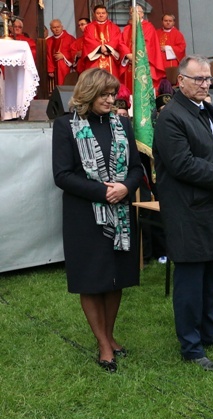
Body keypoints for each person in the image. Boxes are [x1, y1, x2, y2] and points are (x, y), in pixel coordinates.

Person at [153, 55, 213, 371]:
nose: (206, 85)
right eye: (199, 79)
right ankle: (192, 349)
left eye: (209, 79)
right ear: (181, 81)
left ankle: (212, 334)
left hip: (210, 211)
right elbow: (182, 164)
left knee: (212, 281)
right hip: (187, 214)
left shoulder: (206, 111)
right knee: (190, 285)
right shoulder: (171, 118)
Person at [52, 68, 143, 373]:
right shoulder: (65, 126)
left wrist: (126, 187)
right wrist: (104, 192)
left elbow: (136, 168)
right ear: (89, 94)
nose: (110, 99)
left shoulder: (123, 124)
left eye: (113, 94)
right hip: (84, 217)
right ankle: (104, 345)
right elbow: (62, 175)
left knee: (115, 277)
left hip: (121, 215)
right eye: (104, 94)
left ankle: (110, 334)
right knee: (92, 281)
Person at [121, 5, 166, 91]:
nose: (135, 14)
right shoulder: (127, 29)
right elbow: (121, 43)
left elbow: (148, 44)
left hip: (144, 62)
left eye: (138, 12)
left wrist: (137, 56)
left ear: (142, 14)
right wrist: (127, 54)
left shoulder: (148, 27)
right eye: (132, 12)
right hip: (129, 63)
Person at [82, 5, 131, 77]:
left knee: (111, 81)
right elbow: (88, 40)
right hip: (95, 59)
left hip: (110, 58)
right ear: (94, 14)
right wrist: (100, 48)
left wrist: (107, 48)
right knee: (95, 81)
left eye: (103, 13)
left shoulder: (114, 27)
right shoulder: (89, 27)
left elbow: (117, 40)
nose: (101, 15)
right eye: (98, 13)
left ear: (107, 14)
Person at [46, 19, 76, 86]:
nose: (56, 29)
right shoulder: (49, 41)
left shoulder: (70, 38)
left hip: (66, 67)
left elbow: (74, 52)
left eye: (58, 27)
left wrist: (64, 56)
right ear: (51, 29)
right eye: (54, 27)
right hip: (54, 68)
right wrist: (50, 69)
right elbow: (48, 56)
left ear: (62, 27)